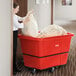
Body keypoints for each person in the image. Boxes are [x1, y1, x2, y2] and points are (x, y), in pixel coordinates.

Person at [13, 2, 32, 74]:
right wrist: (24, 22)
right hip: (12, 33)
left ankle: (15, 66)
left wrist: (28, 15)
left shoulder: (14, 15)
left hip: (15, 33)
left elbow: (21, 18)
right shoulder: (12, 16)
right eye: (17, 8)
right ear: (13, 9)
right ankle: (13, 68)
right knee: (13, 51)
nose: (18, 10)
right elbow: (18, 25)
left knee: (14, 50)